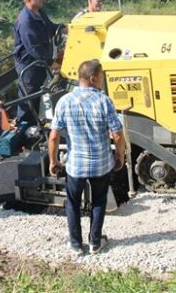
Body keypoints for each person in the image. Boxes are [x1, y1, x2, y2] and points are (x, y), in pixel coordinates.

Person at [48, 59, 125, 256]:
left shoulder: (64, 102)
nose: (102, 81)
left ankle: (75, 244)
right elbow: (117, 134)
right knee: (99, 201)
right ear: (93, 78)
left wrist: (53, 161)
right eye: (101, 78)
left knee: (73, 202)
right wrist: (120, 155)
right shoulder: (104, 101)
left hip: (76, 166)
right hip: (101, 164)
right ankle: (95, 242)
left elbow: (54, 136)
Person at [12, 0, 63, 126]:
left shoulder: (39, 12)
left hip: (39, 62)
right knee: (28, 97)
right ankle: (24, 127)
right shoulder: (25, 21)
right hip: (28, 65)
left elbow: (49, 27)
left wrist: (63, 28)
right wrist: (50, 62)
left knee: (37, 94)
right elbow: (33, 47)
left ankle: (35, 124)